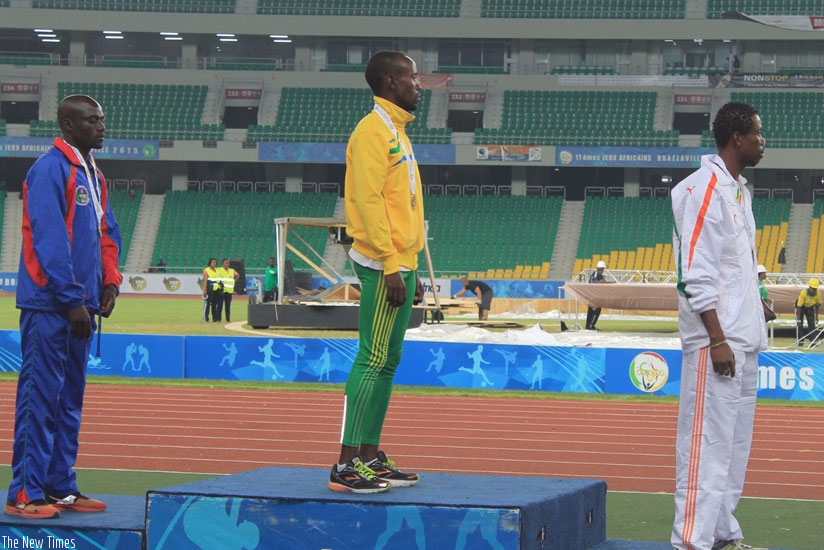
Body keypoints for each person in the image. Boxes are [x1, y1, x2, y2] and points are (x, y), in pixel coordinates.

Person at [5, 94, 122, 519]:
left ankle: (58, 485)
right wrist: (72, 297)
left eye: (103, 119)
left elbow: (108, 232)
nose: (102, 126)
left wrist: (109, 282)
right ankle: (24, 492)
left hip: (81, 305)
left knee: (69, 399)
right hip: (50, 306)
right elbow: (49, 239)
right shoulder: (49, 169)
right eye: (93, 120)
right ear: (69, 126)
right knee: (40, 398)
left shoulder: (94, 174)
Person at [670, 101, 767, 550]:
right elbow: (696, 271)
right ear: (737, 138)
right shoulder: (703, 187)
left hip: (743, 339)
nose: (763, 142)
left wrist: (756, 305)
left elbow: (735, 267)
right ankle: (691, 541)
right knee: (705, 446)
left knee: (732, 448)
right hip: (717, 342)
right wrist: (718, 337)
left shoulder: (738, 190)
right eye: (758, 134)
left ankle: (724, 533)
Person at [329, 50, 425, 494]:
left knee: (388, 361)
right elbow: (368, 203)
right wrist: (390, 264)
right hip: (381, 262)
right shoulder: (372, 132)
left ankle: (369, 457)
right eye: (412, 77)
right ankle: (345, 464)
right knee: (372, 358)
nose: (418, 84)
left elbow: (402, 203)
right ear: (390, 82)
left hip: (400, 261)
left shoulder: (396, 131)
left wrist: (413, 264)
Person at [794, 277, 821, 345]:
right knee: (800, 325)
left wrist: (816, 316)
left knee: (812, 325)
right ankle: (800, 342)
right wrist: (798, 319)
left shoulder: (818, 294)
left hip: (810, 307)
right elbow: (799, 307)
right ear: (809, 287)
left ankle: (813, 342)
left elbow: (817, 306)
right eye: (812, 288)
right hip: (801, 308)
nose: (813, 290)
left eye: (814, 289)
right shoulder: (803, 293)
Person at [585, 260, 608, 330]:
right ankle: (590, 326)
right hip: (593, 296)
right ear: (600, 269)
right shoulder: (596, 274)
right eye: (602, 269)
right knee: (596, 310)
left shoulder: (599, 275)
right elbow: (596, 282)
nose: (602, 270)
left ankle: (589, 326)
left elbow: (603, 282)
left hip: (593, 295)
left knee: (591, 311)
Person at [216, 258, 240, 322]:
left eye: (228, 263)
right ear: (223, 263)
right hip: (221, 291)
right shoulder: (219, 270)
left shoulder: (232, 270)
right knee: (219, 305)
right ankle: (218, 319)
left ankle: (228, 319)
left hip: (229, 291)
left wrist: (234, 281)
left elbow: (237, 275)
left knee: (228, 306)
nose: (227, 264)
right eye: (226, 263)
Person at [201, 257, 221, 322]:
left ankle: (215, 318)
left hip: (217, 288)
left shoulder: (217, 270)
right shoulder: (206, 270)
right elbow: (205, 281)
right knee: (208, 303)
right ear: (210, 263)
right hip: (210, 288)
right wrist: (204, 290)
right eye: (212, 262)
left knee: (215, 304)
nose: (214, 263)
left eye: (215, 262)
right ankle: (205, 318)